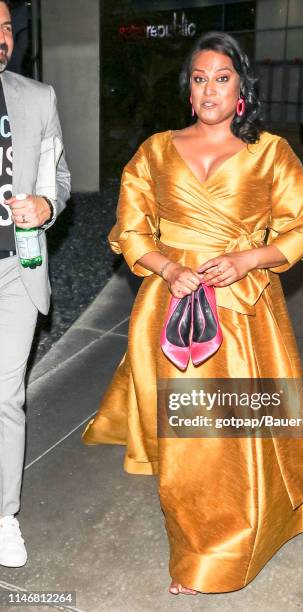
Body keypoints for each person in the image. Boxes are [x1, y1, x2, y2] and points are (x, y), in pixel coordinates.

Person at [82, 31, 303, 595]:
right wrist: (168, 268)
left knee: (243, 435)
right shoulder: (154, 151)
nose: (209, 89)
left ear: (241, 89)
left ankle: (260, 525)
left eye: (221, 78)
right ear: (188, 89)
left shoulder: (269, 152)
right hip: (171, 308)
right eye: (199, 78)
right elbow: (130, 231)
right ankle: (201, 551)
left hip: (244, 311)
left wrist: (251, 257)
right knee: (190, 440)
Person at [0, 0, 70, 567]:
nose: (3, 38)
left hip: (13, 272)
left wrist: (46, 203)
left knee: (5, 397)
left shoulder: (36, 98)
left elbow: (59, 176)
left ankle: (3, 517)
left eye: (6, 27)